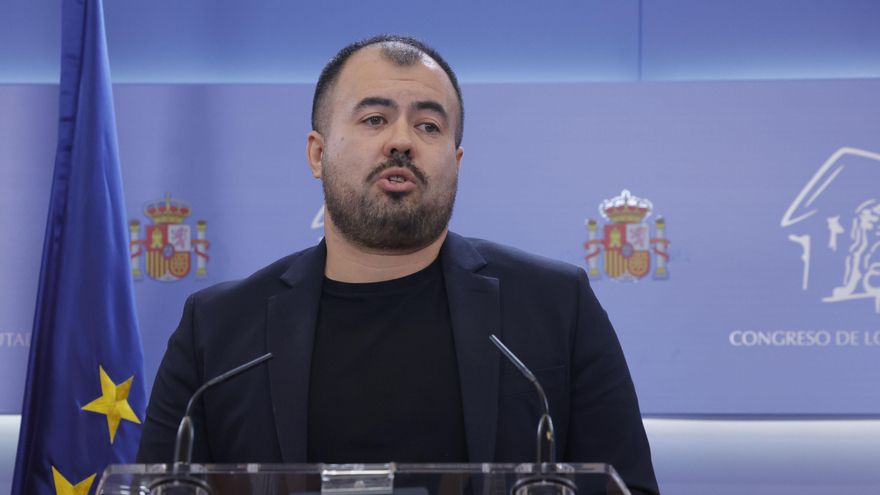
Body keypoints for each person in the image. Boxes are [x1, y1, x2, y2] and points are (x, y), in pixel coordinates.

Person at [137, 35, 659, 495]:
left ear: (455, 162)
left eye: (429, 125)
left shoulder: (557, 307)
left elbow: (628, 485)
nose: (402, 141)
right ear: (317, 154)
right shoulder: (219, 331)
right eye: (374, 119)